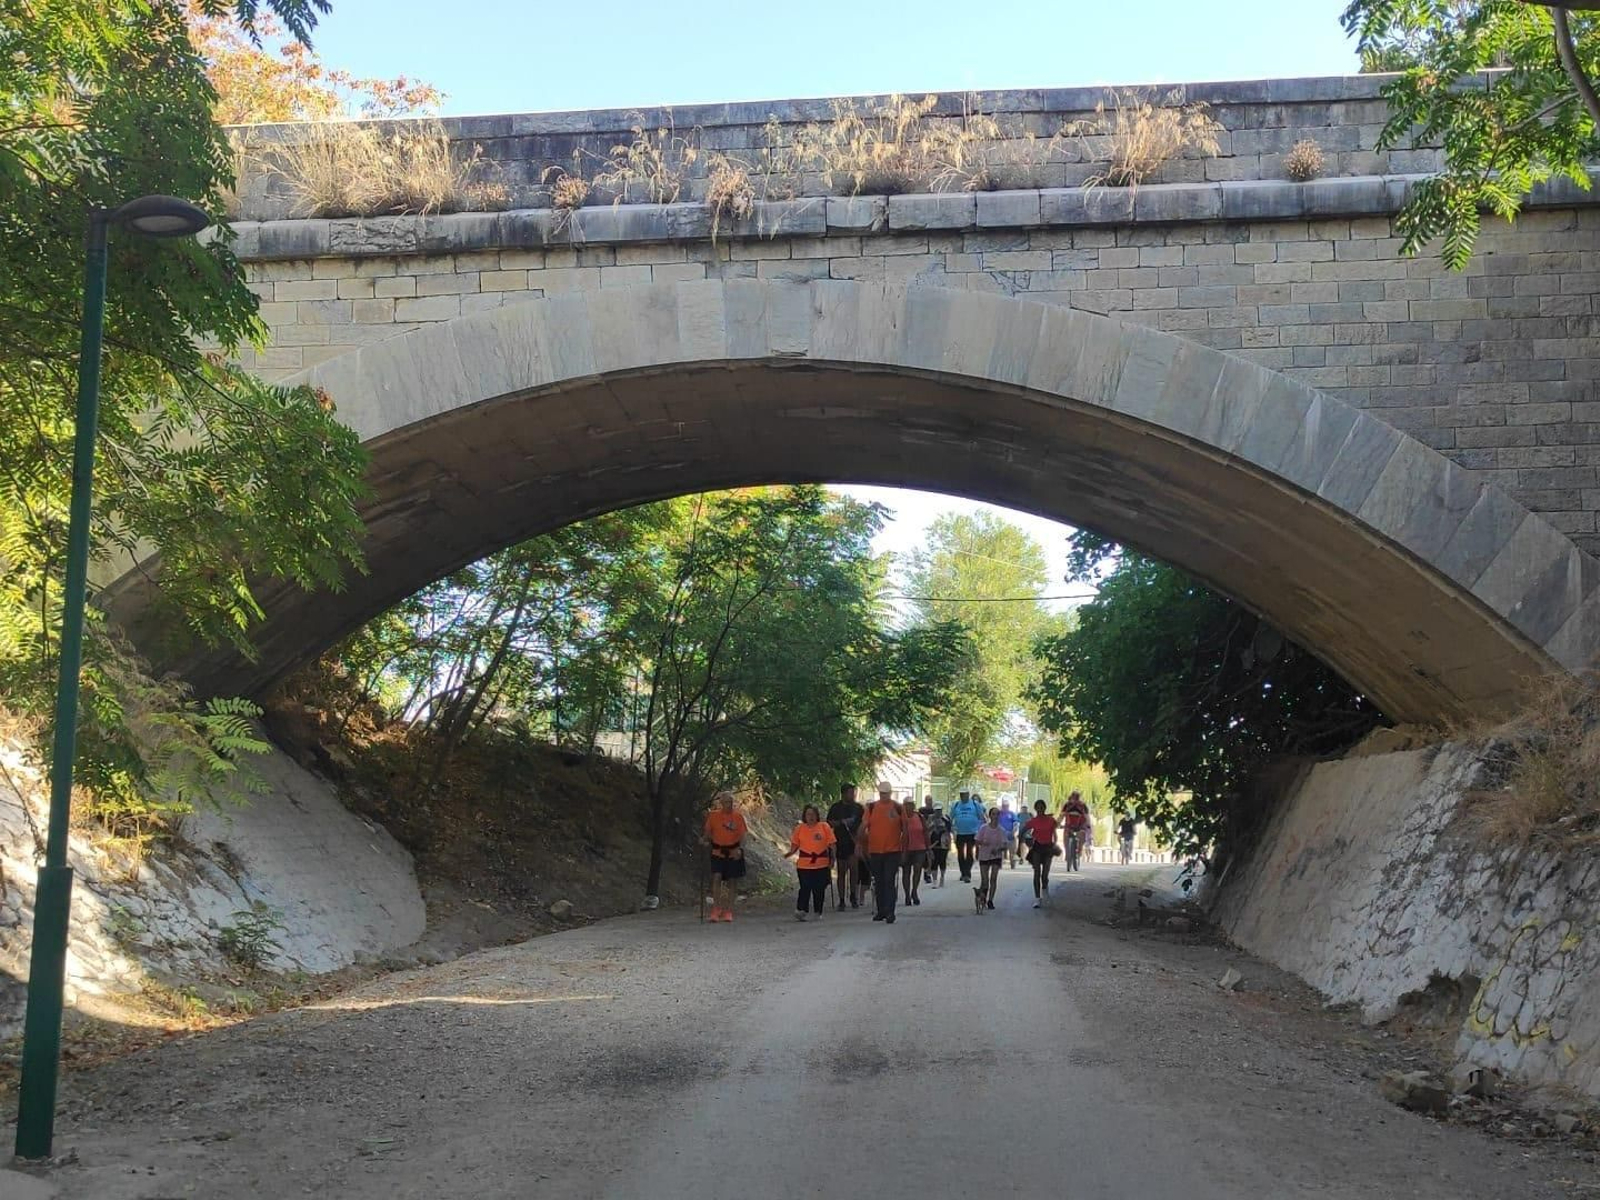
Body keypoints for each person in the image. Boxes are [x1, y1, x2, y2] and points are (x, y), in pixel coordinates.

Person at [861, 782, 908, 923]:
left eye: (886, 793)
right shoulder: (871, 807)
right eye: (882, 793)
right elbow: (864, 826)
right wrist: (859, 844)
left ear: (890, 793)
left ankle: (890, 912)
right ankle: (881, 910)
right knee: (879, 881)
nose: (884, 796)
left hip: (892, 851)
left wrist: (904, 850)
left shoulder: (898, 808)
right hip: (875, 851)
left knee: (889, 880)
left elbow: (905, 830)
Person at [700, 790, 747, 923]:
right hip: (718, 852)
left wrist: (740, 849)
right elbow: (708, 833)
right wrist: (704, 840)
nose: (729, 804)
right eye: (726, 802)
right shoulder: (714, 816)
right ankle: (716, 908)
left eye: (731, 802)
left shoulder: (738, 817)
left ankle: (728, 910)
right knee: (717, 877)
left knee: (732, 881)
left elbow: (743, 835)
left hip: (733, 852)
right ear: (721, 803)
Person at [784, 804, 836, 921]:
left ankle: (818, 910)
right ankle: (801, 909)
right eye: (808, 814)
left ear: (817, 815)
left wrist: (833, 859)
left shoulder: (824, 827)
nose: (811, 816)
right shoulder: (800, 828)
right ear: (804, 816)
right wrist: (790, 853)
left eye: (813, 814)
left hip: (821, 863)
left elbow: (832, 844)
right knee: (805, 887)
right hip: (804, 864)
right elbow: (795, 844)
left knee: (819, 888)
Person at [826, 782, 865, 910]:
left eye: (853, 792)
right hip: (840, 842)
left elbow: (864, 823)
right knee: (841, 871)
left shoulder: (859, 808)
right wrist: (840, 823)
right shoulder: (836, 808)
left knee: (854, 870)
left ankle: (853, 895)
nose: (852, 795)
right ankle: (842, 899)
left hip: (854, 842)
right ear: (843, 794)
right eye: (849, 792)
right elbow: (829, 823)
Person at [1022, 799, 1059, 908]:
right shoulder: (1033, 821)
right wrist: (1024, 840)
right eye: (1038, 807)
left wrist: (1055, 843)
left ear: (1044, 808)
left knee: (1044, 874)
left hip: (1048, 847)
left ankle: (1045, 889)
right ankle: (1037, 898)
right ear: (1035, 808)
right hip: (1037, 847)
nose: (1040, 809)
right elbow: (1023, 830)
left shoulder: (1051, 820)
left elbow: (1055, 830)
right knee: (1037, 872)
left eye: (1041, 807)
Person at [973, 807, 1007, 912]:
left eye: (997, 814)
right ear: (990, 815)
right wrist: (983, 843)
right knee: (985, 880)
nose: (995, 816)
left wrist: (998, 849)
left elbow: (1005, 845)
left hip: (996, 856)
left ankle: (990, 900)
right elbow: (977, 841)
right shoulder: (984, 828)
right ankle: (982, 896)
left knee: (993, 878)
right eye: (993, 814)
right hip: (984, 856)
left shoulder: (1001, 830)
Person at [949, 789, 986, 883]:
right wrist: (952, 828)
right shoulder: (956, 804)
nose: (963, 796)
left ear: (968, 795)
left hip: (972, 832)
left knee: (970, 852)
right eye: (961, 794)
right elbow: (951, 817)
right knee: (960, 853)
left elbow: (981, 816)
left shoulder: (974, 804)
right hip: (959, 833)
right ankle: (963, 872)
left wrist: (980, 829)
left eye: (964, 794)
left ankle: (967, 873)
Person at [899, 798, 928, 906]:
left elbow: (925, 831)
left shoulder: (919, 817)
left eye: (911, 804)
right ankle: (907, 895)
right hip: (905, 848)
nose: (909, 807)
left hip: (919, 848)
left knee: (917, 870)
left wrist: (928, 848)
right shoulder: (901, 818)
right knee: (906, 872)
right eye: (907, 805)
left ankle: (914, 891)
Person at [920, 800, 951, 886]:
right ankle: (934, 880)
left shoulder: (946, 818)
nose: (938, 812)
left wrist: (949, 843)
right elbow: (926, 830)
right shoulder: (930, 818)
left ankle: (942, 877)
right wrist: (932, 826)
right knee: (934, 861)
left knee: (942, 860)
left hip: (943, 843)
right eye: (936, 810)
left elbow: (949, 831)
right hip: (933, 843)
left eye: (939, 810)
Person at [1060, 791, 1090, 873]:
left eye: (1075, 798)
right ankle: (1068, 852)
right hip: (1071, 826)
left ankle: (1078, 851)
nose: (1074, 800)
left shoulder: (1082, 806)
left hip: (1079, 826)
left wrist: (1088, 825)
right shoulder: (1067, 805)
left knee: (1080, 836)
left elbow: (1087, 817)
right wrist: (1058, 823)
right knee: (1067, 836)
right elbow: (1061, 815)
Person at [997, 800, 1019, 870]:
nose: (1005, 807)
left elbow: (1016, 823)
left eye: (1006, 805)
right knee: (1000, 851)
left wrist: (1014, 831)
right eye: (1003, 805)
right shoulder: (998, 814)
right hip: (1000, 834)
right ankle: (999, 865)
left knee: (1012, 851)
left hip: (1010, 834)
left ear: (1008, 806)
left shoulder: (1012, 813)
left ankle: (1013, 865)